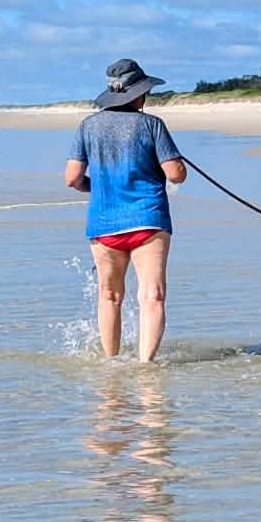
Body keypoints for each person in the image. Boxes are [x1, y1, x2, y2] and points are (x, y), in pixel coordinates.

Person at [65, 58, 187, 362]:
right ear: (139, 94)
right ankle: (147, 365)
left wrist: (101, 187)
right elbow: (175, 174)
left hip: (105, 223)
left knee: (109, 296)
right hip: (148, 220)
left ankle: (111, 364)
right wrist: (178, 166)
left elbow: (72, 179)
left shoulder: (88, 126)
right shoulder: (152, 125)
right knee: (152, 295)